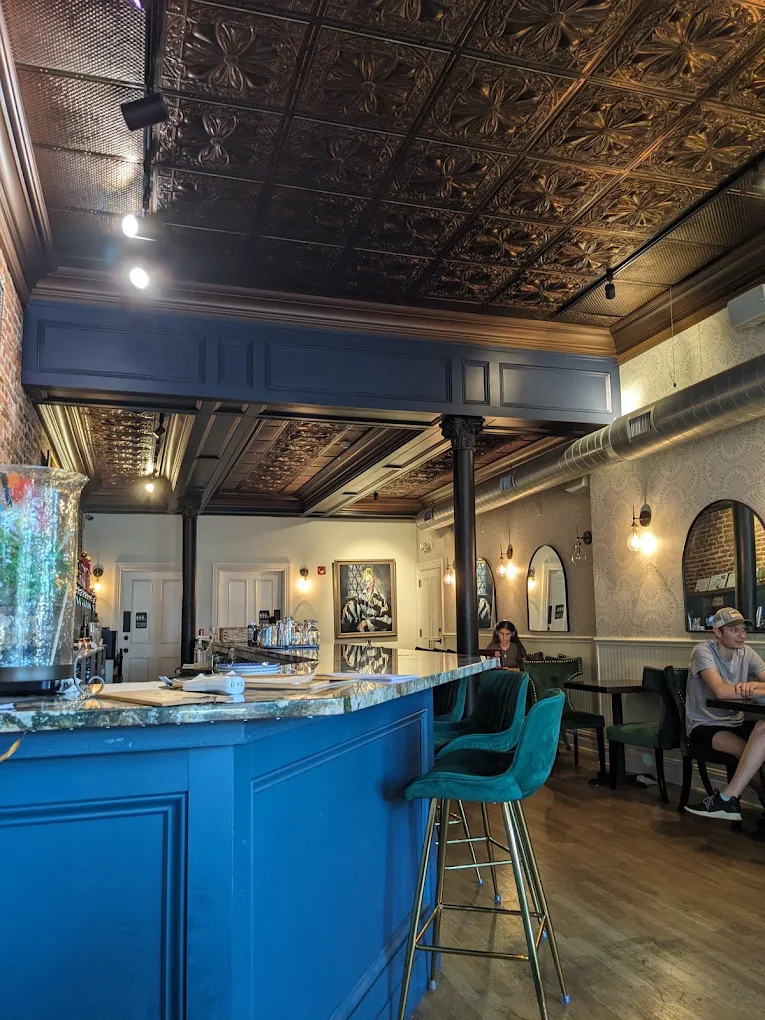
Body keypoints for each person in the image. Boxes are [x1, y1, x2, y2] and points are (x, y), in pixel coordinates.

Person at [683, 607, 765, 822]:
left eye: (743, 630)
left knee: (763, 728)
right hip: (704, 726)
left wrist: (754, 684)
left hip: (734, 723)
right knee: (744, 750)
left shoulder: (746, 652)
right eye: (734, 630)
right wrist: (754, 688)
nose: (741, 635)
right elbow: (720, 691)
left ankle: (728, 800)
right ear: (718, 632)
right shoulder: (703, 651)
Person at [340, 567, 392, 634]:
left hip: (375, 628)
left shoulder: (380, 598)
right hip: (362, 629)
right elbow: (356, 603)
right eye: (364, 581)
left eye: (368, 581)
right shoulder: (361, 597)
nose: (366, 583)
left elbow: (385, 619)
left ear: (372, 582)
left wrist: (367, 623)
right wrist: (348, 606)